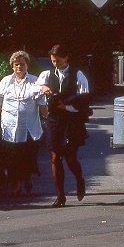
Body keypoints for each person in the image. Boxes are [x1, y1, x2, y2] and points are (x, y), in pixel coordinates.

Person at [37, 44, 90, 207]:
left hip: (72, 120)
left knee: (70, 157)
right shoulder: (46, 75)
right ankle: (60, 196)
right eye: (53, 61)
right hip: (54, 120)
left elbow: (84, 99)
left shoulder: (77, 74)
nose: (55, 64)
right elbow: (35, 89)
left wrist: (66, 107)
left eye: (58, 61)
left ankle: (79, 180)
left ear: (66, 58)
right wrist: (43, 88)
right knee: (54, 156)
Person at [0, 51, 47, 197]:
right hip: (9, 126)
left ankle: (27, 178)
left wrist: (46, 116)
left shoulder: (35, 81)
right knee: (12, 157)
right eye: (16, 65)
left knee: (27, 156)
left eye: (22, 64)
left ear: (27, 65)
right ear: (12, 66)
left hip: (29, 127)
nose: (19, 67)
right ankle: (16, 184)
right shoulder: (5, 81)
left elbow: (42, 102)